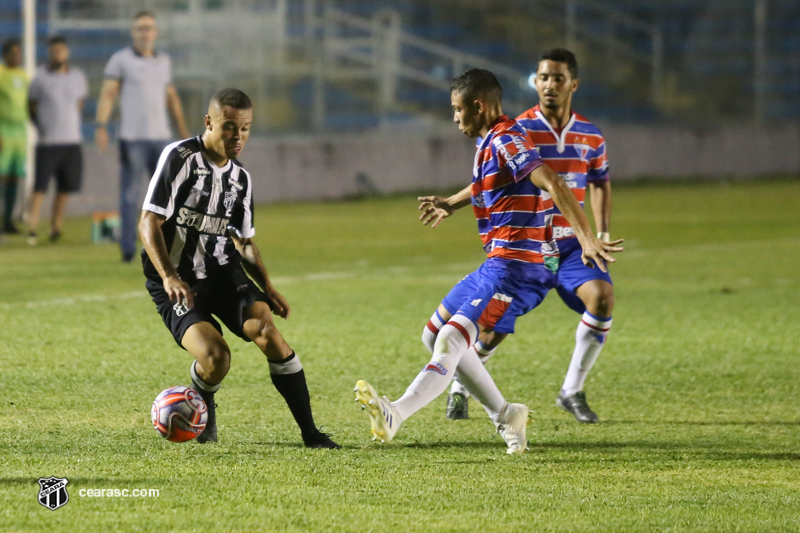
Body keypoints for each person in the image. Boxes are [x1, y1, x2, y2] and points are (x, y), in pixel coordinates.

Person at [355, 69, 622, 454]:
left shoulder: (508, 139)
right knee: (433, 334)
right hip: (497, 263)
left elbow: (554, 182)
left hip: (519, 268)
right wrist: (450, 202)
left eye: (456, 109)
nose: (454, 118)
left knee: (450, 338)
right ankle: (507, 414)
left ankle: (395, 413)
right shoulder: (493, 140)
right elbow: (487, 184)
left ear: (477, 105)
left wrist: (585, 237)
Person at [139, 88, 340, 449]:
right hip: (176, 280)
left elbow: (244, 242)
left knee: (268, 332)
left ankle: (311, 433)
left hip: (222, 271)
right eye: (229, 127)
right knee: (217, 357)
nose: (238, 137)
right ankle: (204, 397)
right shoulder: (180, 158)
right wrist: (169, 276)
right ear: (209, 122)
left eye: (245, 129)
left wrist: (269, 286)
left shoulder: (241, 179)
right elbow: (148, 221)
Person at [442, 48, 616, 424]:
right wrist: (453, 202)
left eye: (557, 77)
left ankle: (572, 390)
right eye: (542, 77)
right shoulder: (518, 129)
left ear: (573, 84)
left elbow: (600, 182)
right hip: (532, 244)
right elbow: (488, 180)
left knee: (602, 298)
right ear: (535, 83)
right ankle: (460, 386)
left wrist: (598, 233)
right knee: (492, 327)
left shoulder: (590, 135)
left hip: (571, 244)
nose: (549, 84)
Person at [96, 10, 190, 262]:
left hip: (161, 139)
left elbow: (171, 97)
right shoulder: (121, 60)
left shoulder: (164, 61)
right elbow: (108, 93)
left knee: (168, 195)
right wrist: (101, 125)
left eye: (149, 28)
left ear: (155, 32)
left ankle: (170, 245)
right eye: (140, 28)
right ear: (133, 32)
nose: (145, 32)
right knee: (130, 195)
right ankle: (128, 248)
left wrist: (182, 131)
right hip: (133, 138)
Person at [27, 36, 88, 245]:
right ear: (49, 54)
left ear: (66, 53)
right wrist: (43, 127)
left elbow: (79, 103)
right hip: (48, 143)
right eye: (53, 52)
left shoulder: (77, 77)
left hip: (71, 141)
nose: (57, 55)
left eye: (60, 51)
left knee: (64, 189)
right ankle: (32, 228)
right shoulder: (40, 78)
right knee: (40, 187)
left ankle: (56, 227)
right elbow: (31, 107)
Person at [0, 38, 29, 235]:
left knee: (14, 178)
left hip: (21, 133)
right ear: (5, 55)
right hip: (4, 131)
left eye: (19, 53)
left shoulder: (24, 76)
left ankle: (7, 221)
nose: (17, 57)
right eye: (13, 53)